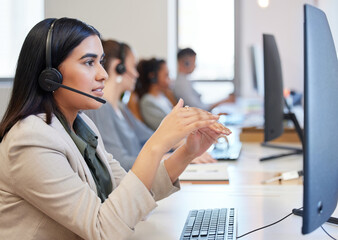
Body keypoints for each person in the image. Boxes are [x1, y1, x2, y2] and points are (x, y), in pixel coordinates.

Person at [0, 18, 231, 240]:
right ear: (50, 76)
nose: (104, 74)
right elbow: (103, 231)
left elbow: (128, 195)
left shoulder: (82, 125)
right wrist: (158, 143)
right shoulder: (30, 139)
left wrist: (187, 152)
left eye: (101, 62)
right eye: (89, 63)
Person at [84, 40, 154, 171]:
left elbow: (151, 137)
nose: (136, 74)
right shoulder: (101, 107)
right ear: (119, 67)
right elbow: (119, 162)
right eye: (133, 66)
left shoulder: (121, 107)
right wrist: (165, 159)